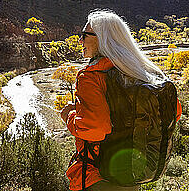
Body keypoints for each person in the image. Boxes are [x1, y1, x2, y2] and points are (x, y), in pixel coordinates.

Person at [60, 10, 182, 191]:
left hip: (99, 176)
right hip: (131, 172)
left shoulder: (91, 76)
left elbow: (94, 129)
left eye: (84, 35)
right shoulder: (141, 72)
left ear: (102, 38)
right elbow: (174, 113)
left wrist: (70, 115)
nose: (80, 41)